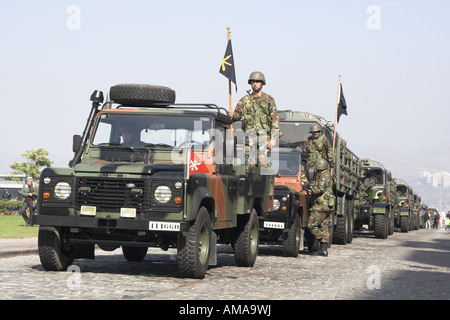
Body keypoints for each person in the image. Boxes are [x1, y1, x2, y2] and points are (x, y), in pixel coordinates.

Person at [229, 71, 279, 167]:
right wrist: (232, 115)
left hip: (264, 138)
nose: (255, 84)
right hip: (249, 137)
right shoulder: (245, 100)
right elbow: (237, 115)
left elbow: (275, 119)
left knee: (263, 166)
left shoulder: (269, 100)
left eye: (257, 81)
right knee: (249, 167)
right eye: (253, 82)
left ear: (262, 83)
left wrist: (274, 138)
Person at [306, 158, 335, 257]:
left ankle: (321, 239)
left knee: (311, 225)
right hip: (325, 206)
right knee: (324, 227)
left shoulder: (324, 176)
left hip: (321, 206)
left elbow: (320, 189)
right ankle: (324, 250)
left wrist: (310, 190)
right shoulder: (322, 175)